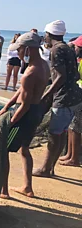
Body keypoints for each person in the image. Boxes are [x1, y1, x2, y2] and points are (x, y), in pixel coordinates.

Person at [0, 32, 50, 199]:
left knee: (3, 149)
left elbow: (25, 104)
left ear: (28, 49)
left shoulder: (29, 73)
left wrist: (11, 122)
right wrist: (7, 106)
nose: (17, 53)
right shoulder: (43, 65)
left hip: (26, 114)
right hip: (36, 112)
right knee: (24, 149)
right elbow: (22, 91)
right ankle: (27, 187)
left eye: (19, 50)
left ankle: (3, 190)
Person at [33, 20, 82, 177]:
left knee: (54, 134)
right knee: (61, 132)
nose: (45, 38)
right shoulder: (68, 48)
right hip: (74, 96)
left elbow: (60, 76)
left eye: (45, 35)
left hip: (64, 97)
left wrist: (46, 95)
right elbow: (75, 74)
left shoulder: (56, 50)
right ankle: (51, 167)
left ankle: (46, 168)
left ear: (49, 35)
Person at [58, 36, 82, 167]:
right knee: (72, 126)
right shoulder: (79, 60)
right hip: (77, 96)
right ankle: (69, 154)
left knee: (76, 127)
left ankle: (74, 158)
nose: (75, 49)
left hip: (80, 96)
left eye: (77, 47)